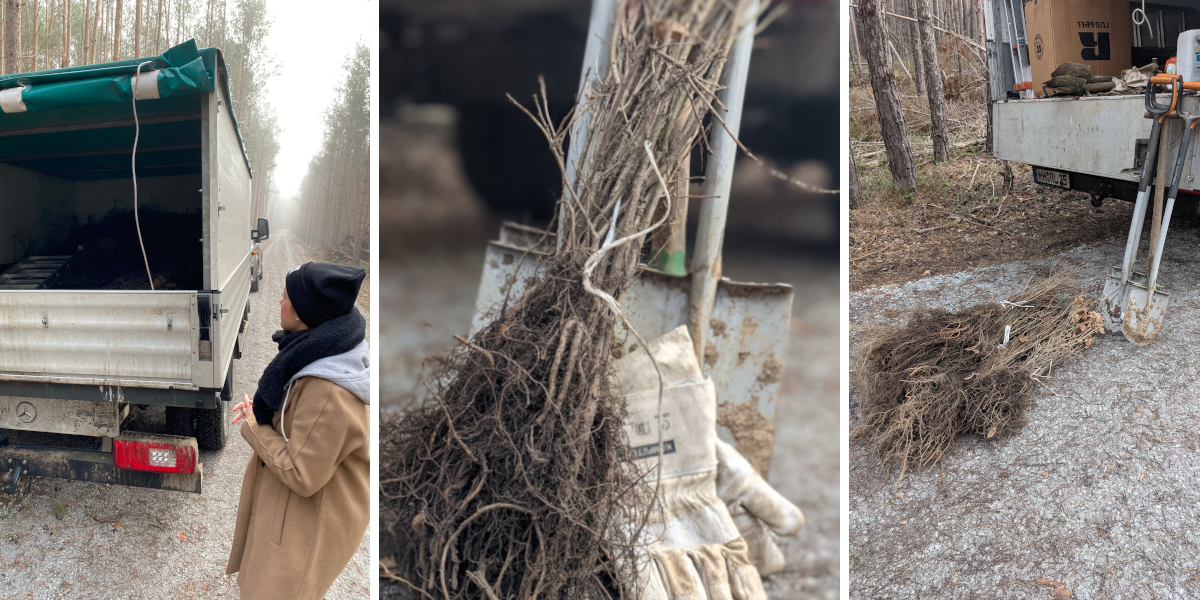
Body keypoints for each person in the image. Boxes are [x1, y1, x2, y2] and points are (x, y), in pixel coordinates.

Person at [225, 262, 371, 600]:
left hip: (305, 528)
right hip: (291, 515)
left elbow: (302, 472)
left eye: (285, 297)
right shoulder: (317, 349)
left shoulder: (327, 390)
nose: (279, 302)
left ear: (304, 314)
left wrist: (254, 424)